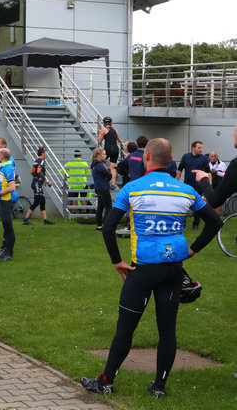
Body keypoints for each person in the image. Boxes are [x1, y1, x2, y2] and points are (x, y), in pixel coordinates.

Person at [81, 138, 221, 399]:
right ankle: (159, 386)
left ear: (147, 159)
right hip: (173, 270)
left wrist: (116, 260)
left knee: (126, 328)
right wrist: (192, 250)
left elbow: (109, 228)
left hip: (143, 270)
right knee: (167, 329)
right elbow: (214, 222)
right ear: (171, 162)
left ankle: (105, 382)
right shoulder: (186, 190)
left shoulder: (132, 188)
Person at [0, 148, 19, 262]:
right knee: (6, 228)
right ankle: (6, 250)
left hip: (5, 201)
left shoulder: (7, 168)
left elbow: (12, 187)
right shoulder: (3, 167)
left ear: (1, 156)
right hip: (1, 200)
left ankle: (9, 253)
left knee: (8, 228)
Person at [175, 140, 210, 230]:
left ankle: (196, 225)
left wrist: (209, 184)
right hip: (187, 185)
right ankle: (183, 225)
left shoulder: (204, 158)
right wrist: (177, 181)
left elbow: (208, 172)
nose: (201, 150)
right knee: (183, 206)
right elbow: (179, 169)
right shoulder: (186, 157)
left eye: (202, 148)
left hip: (199, 186)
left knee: (197, 205)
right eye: (199, 148)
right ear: (193, 148)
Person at [23, 147, 55, 225]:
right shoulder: (41, 161)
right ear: (43, 153)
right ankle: (25, 219)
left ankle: (45, 220)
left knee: (42, 201)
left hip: (36, 183)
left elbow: (32, 172)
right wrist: (46, 180)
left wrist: (38, 178)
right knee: (37, 201)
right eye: (45, 153)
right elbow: (39, 171)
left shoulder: (36, 161)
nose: (46, 154)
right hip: (37, 184)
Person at [90, 147, 113, 231]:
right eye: (103, 154)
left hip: (98, 188)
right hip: (103, 188)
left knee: (100, 207)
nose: (105, 156)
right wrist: (108, 175)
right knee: (108, 207)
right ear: (98, 156)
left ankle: (99, 225)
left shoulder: (94, 164)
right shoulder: (99, 165)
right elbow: (109, 175)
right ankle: (107, 226)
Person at [97, 116, 123, 184]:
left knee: (101, 162)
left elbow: (99, 140)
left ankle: (106, 177)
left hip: (108, 149)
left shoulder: (104, 130)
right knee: (113, 167)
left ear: (104, 123)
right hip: (116, 149)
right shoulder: (115, 129)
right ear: (111, 123)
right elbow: (120, 140)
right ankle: (113, 184)